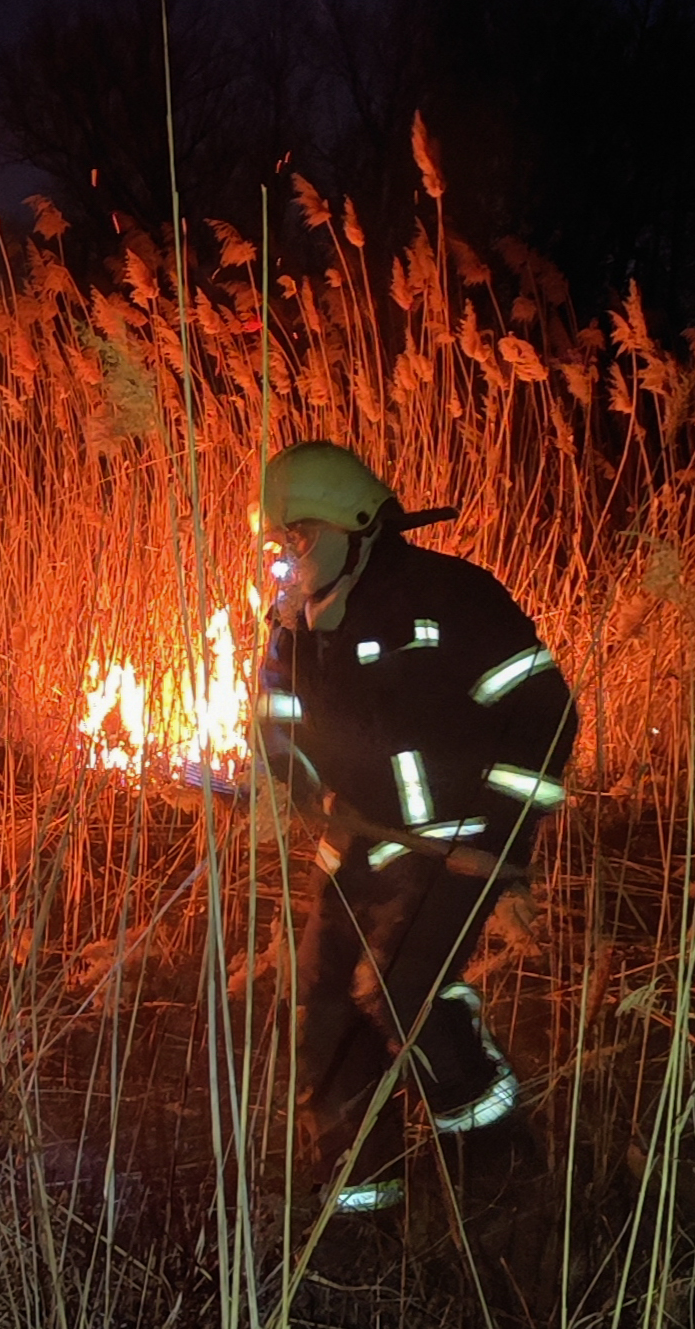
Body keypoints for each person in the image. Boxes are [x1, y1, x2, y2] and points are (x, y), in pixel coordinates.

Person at [250, 441, 576, 1216]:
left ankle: (498, 1162)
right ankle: (360, 1194)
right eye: (277, 544)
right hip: (356, 843)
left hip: (456, 846)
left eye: (298, 538)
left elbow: (545, 711)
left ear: (354, 526)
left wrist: (500, 842)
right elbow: (278, 715)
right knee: (328, 1002)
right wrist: (282, 781)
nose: (286, 560)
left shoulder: (452, 596)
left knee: (406, 996)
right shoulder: (297, 624)